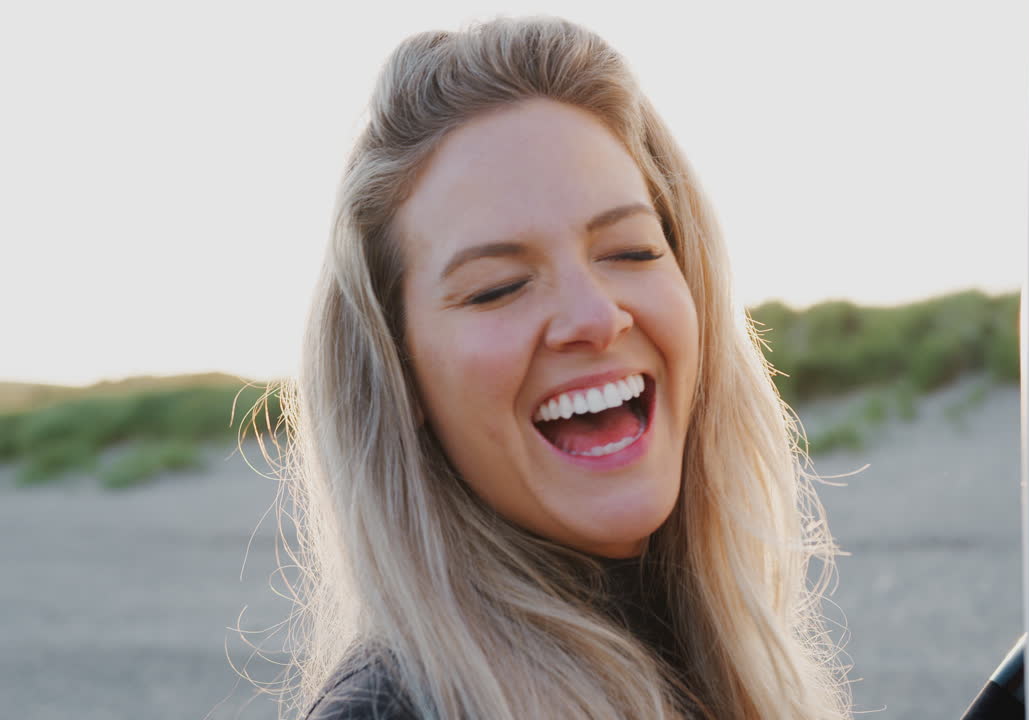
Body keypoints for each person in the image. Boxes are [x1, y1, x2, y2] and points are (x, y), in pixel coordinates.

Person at [280, 15, 850, 720]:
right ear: (399, 373)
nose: (595, 316)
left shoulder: (723, 661)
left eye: (631, 251)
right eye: (498, 287)